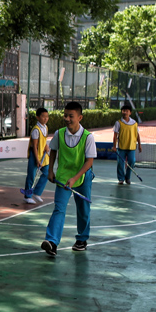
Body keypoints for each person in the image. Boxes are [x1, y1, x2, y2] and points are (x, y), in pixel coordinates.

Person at [41, 102, 96, 256]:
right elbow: (53, 151)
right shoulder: (59, 133)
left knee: (83, 209)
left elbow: (89, 161)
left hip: (83, 177)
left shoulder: (88, 137)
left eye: (71, 116)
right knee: (59, 209)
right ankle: (52, 242)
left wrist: (75, 178)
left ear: (79, 117)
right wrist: (50, 170)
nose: (67, 118)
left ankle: (82, 239)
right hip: (64, 177)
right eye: (65, 115)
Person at [21, 108, 50, 204]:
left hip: (43, 155)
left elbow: (44, 140)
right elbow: (34, 146)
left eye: (47, 116)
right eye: (43, 116)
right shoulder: (36, 130)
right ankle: (27, 195)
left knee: (47, 173)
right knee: (31, 175)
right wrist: (37, 160)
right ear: (38, 117)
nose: (45, 118)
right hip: (35, 155)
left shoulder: (45, 127)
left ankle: (37, 192)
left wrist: (46, 146)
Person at [111, 104, 142, 185]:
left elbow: (137, 134)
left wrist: (140, 145)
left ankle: (127, 177)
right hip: (121, 147)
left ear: (130, 113)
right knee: (120, 163)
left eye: (127, 111)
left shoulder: (134, 123)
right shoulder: (118, 123)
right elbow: (115, 135)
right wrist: (114, 146)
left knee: (132, 162)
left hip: (131, 147)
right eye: (123, 111)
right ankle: (121, 178)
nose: (125, 112)